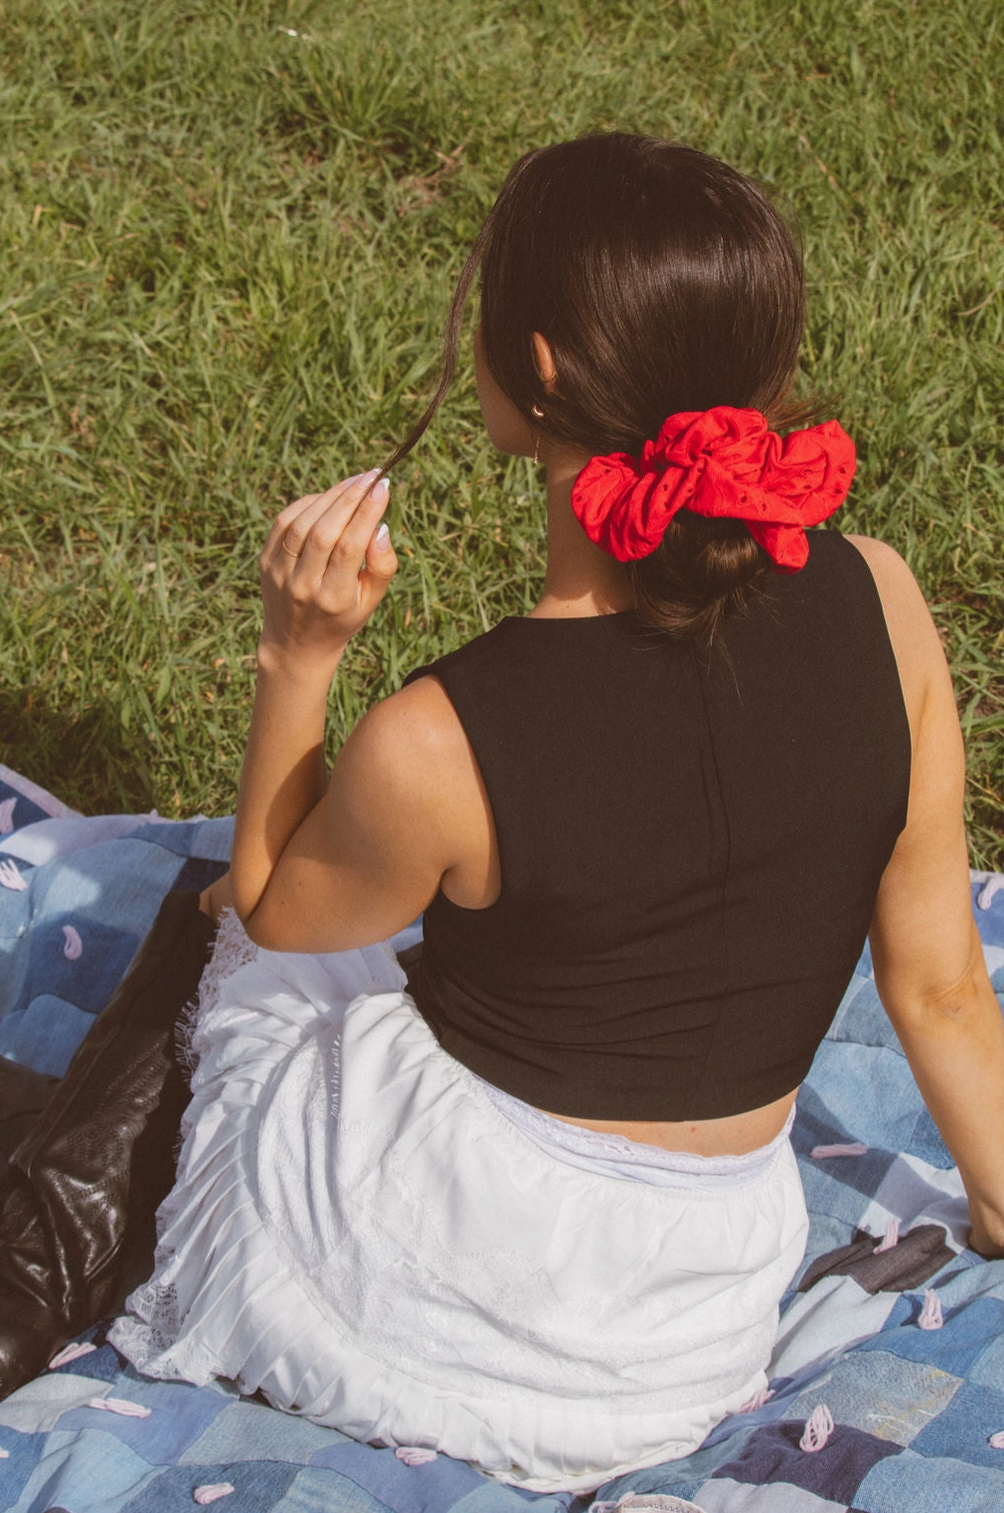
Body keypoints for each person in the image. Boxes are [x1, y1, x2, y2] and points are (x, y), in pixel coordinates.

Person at [103, 135, 1004, 1492]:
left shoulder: (442, 736)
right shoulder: (880, 597)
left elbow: (284, 916)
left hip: (447, 1279)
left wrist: (299, 658)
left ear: (535, 372)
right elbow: (937, 989)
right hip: (689, 1322)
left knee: (254, 943)